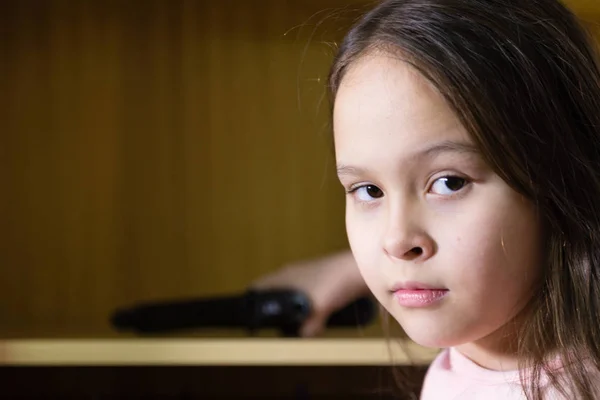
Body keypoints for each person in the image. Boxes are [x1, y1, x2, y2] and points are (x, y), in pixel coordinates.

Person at [255, 0, 600, 398]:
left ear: (560, 177)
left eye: (450, 183)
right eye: (369, 191)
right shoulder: (463, 367)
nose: (397, 240)